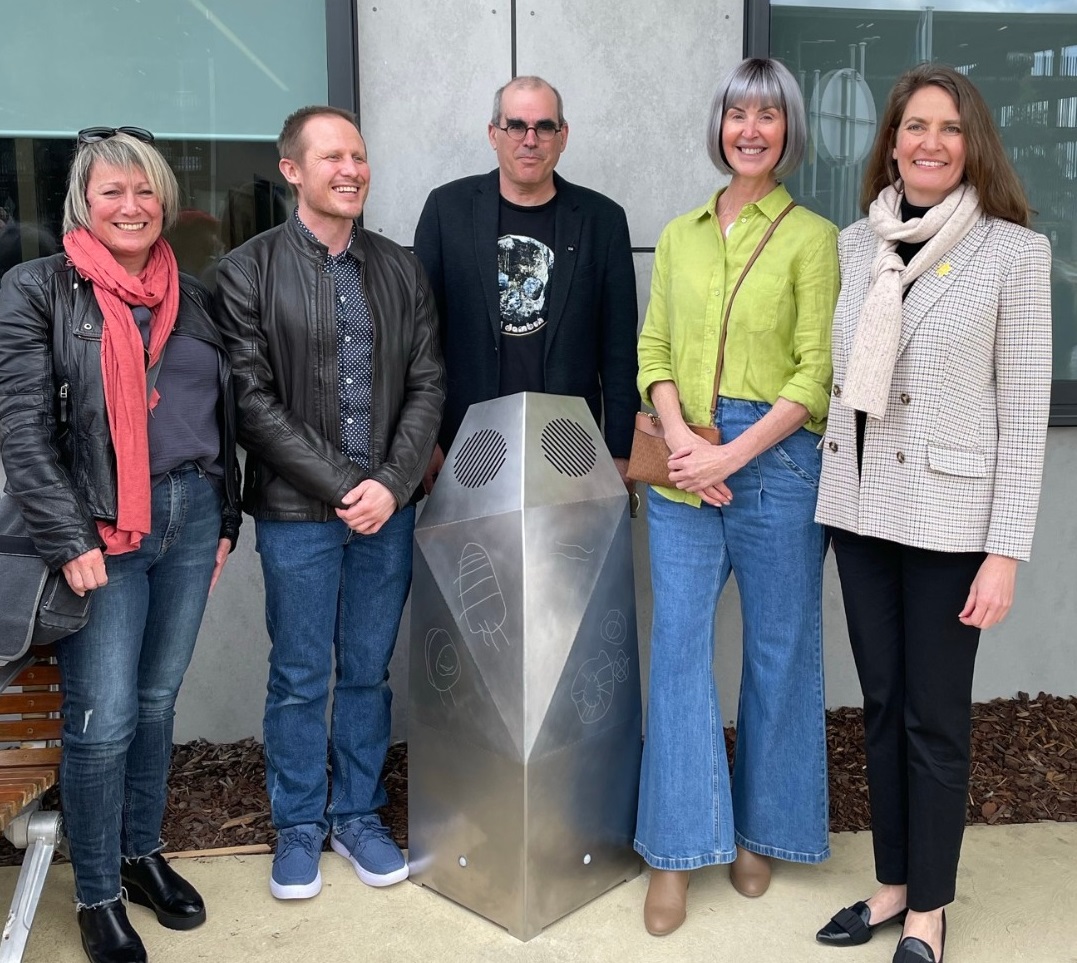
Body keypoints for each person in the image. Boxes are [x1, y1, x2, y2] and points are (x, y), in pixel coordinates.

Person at [814, 64, 1052, 963]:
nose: (929, 143)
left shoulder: (1011, 253)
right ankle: (892, 882)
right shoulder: (854, 244)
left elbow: (1025, 415)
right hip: (862, 512)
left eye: (949, 128)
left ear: (972, 143)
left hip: (954, 524)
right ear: (891, 140)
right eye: (914, 126)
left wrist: (1006, 551)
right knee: (879, 706)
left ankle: (930, 909)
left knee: (934, 717)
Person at [0, 127, 241, 963]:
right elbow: (22, 434)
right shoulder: (37, 290)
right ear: (83, 202)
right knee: (101, 722)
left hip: (189, 516)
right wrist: (68, 539)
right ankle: (98, 891)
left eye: (145, 191)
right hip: (98, 533)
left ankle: (141, 854)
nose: (132, 206)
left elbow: (220, 419)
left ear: (165, 200)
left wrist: (227, 518)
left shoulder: (195, 294)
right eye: (112, 192)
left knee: (155, 703)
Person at [215, 106, 444, 901]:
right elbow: (250, 401)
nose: (351, 169)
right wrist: (345, 485)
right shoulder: (246, 271)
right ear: (292, 170)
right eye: (331, 157)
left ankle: (357, 813)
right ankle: (299, 825)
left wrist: (391, 480)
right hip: (296, 515)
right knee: (301, 673)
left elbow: (427, 382)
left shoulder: (399, 267)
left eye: (359, 154)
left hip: (388, 509)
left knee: (367, 673)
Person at [633, 57, 839, 936]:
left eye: (767, 116)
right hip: (683, 460)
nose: (749, 130)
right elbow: (651, 350)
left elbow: (815, 372)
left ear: (789, 130)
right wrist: (681, 441)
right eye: (735, 115)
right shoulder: (678, 234)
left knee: (778, 652)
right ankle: (678, 851)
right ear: (718, 127)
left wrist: (734, 454)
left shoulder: (813, 237)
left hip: (778, 459)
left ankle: (764, 826)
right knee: (677, 654)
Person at [413, 75, 637, 491]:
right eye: (516, 125)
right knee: (475, 559)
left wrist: (621, 450)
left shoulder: (602, 220)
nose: (530, 139)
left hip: (571, 448)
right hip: (467, 444)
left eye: (544, 127)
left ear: (562, 135)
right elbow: (419, 341)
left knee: (566, 556)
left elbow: (620, 350)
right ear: (493, 133)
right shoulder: (448, 210)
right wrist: (426, 440)